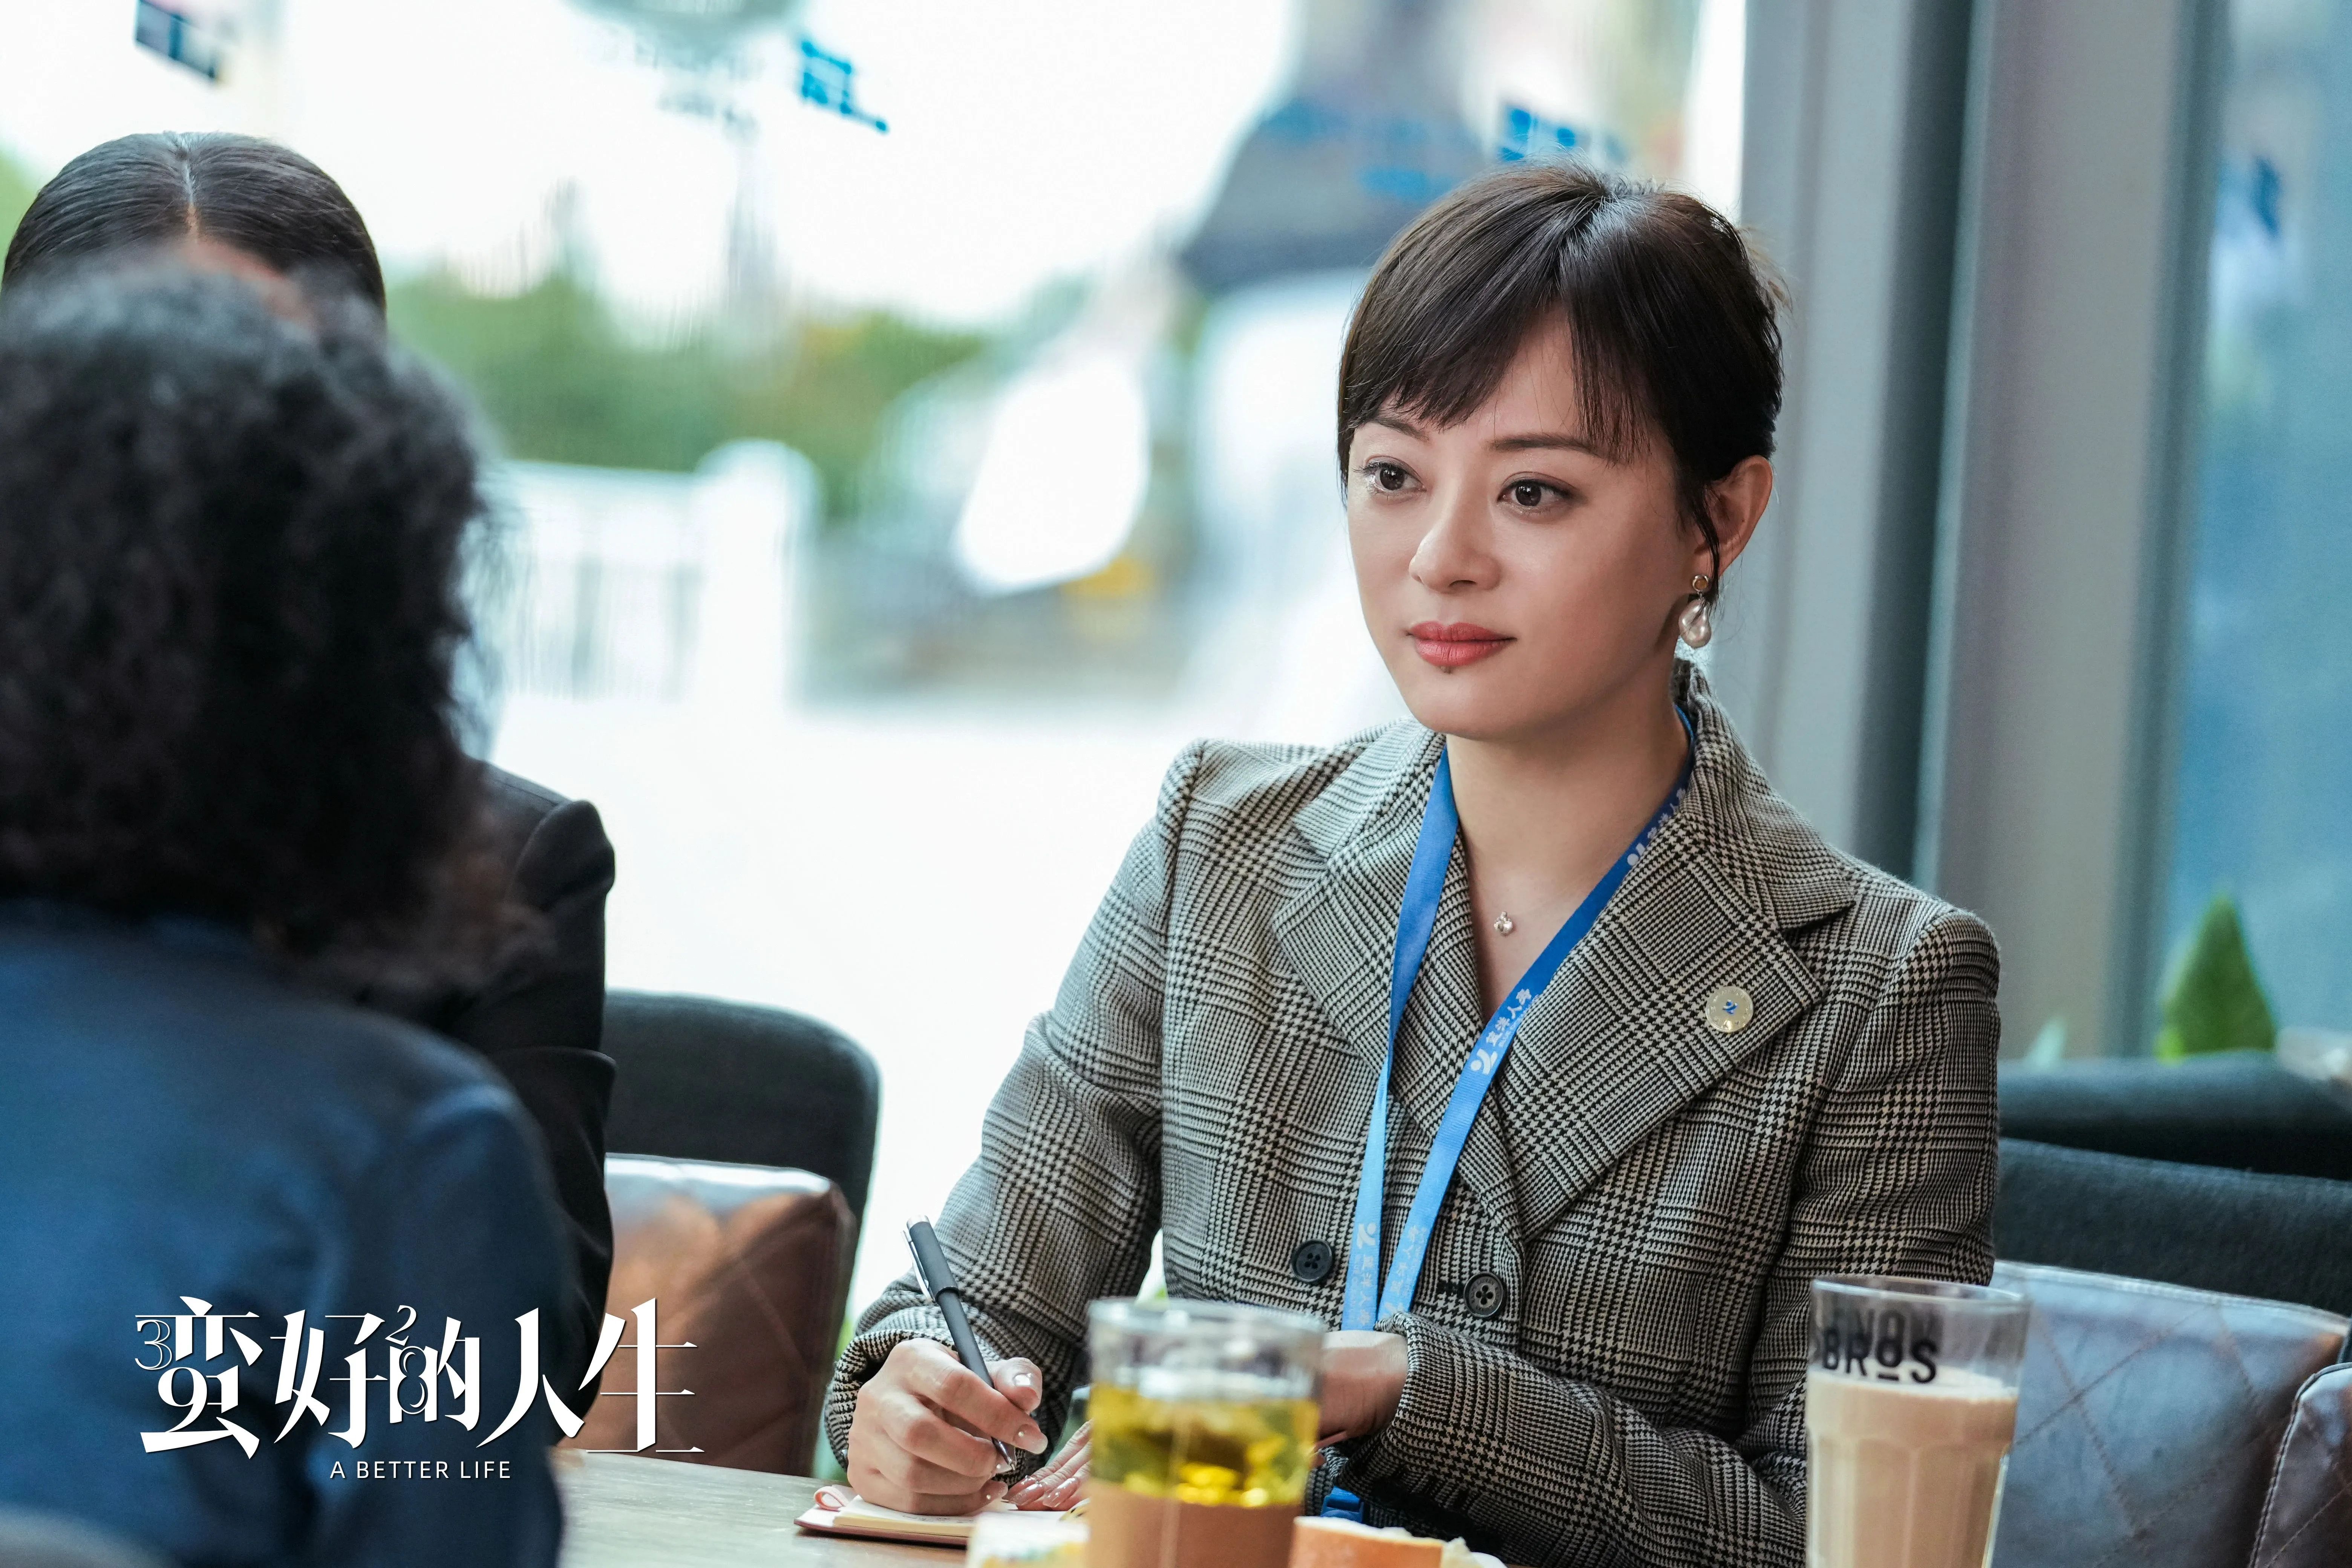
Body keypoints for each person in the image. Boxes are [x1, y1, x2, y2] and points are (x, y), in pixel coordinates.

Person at [825, 163, 2001, 1568]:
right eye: (1393, 475)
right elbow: (972, 1305)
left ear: (1719, 521)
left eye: (1536, 493)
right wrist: (917, 1400)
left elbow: (1845, 1541)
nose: (1441, 558)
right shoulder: (1222, 846)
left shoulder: (1883, 986)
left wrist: (1408, 1391)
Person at [2, 131, 617, 1392]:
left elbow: (524, 1370)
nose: (199, 462)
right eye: (135, 390)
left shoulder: (510, 861)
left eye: (268, 399)